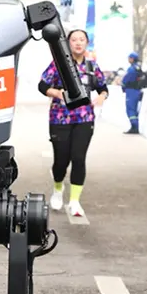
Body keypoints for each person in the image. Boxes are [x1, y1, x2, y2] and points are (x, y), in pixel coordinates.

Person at [38, 29, 108, 217]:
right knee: (61, 160)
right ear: (68, 43)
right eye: (74, 40)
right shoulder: (59, 64)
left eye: (82, 40)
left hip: (84, 119)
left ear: (87, 43)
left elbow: (103, 87)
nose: (78, 43)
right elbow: (42, 85)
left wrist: (102, 97)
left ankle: (75, 202)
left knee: (78, 158)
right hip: (60, 118)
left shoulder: (92, 66)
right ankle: (58, 188)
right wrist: (57, 93)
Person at [121, 51, 142, 134]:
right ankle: (135, 126)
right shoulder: (138, 68)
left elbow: (126, 79)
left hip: (131, 90)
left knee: (130, 109)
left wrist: (123, 85)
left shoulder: (132, 69)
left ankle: (134, 126)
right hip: (137, 90)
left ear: (132, 59)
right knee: (134, 109)